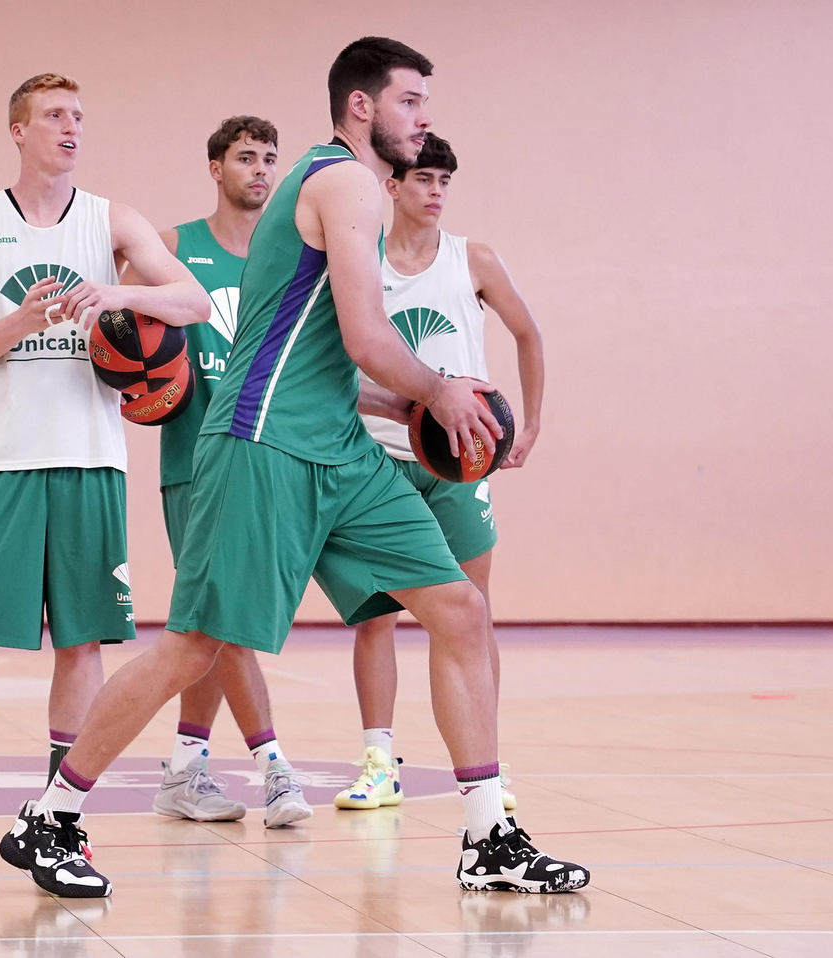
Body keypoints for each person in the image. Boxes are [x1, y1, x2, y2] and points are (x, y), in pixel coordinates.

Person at [1, 38, 589, 899]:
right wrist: (443, 392)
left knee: (460, 609)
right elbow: (365, 336)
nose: (425, 117)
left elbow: (324, 357)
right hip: (261, 449)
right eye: (411, 100)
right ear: (362, 107)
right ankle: (49, 818)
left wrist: (404, 406)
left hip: (339, 450)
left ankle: (487, 836)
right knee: (196, 648)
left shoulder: (351, 192)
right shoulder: (343, 182)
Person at [0, 73, 210, 866]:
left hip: (91, 462)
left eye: (79, 116)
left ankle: (57, 813)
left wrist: (111, 294)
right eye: (56, 116)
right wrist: (20, 321)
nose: (71, 128)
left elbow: (195, 301)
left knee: (82, 645)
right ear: (18, 130)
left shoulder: (112, 221)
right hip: (0, 464)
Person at [334, 133, 544, 813]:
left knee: (472, 614)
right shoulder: (361, 262)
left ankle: (490, 758)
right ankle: (377, 761)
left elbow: (529, 333)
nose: (435, 192)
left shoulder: (473, 259)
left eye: (444, 182)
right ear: (391, 187)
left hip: (460, 463)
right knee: (377, 620)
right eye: (423, 179)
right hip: (381, 456)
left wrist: (532, 422)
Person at [129, 115, 311, 828]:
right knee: (227, 620)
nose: (261, 170)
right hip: (196, 459)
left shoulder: (288, 253)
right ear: (215, 167)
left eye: (270, 158)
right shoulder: (177, 247)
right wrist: (137, 381)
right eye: (245, 157)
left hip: (263, 458)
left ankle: (183, 768)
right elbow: (117, 338)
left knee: (209, 621)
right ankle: (275, 768)